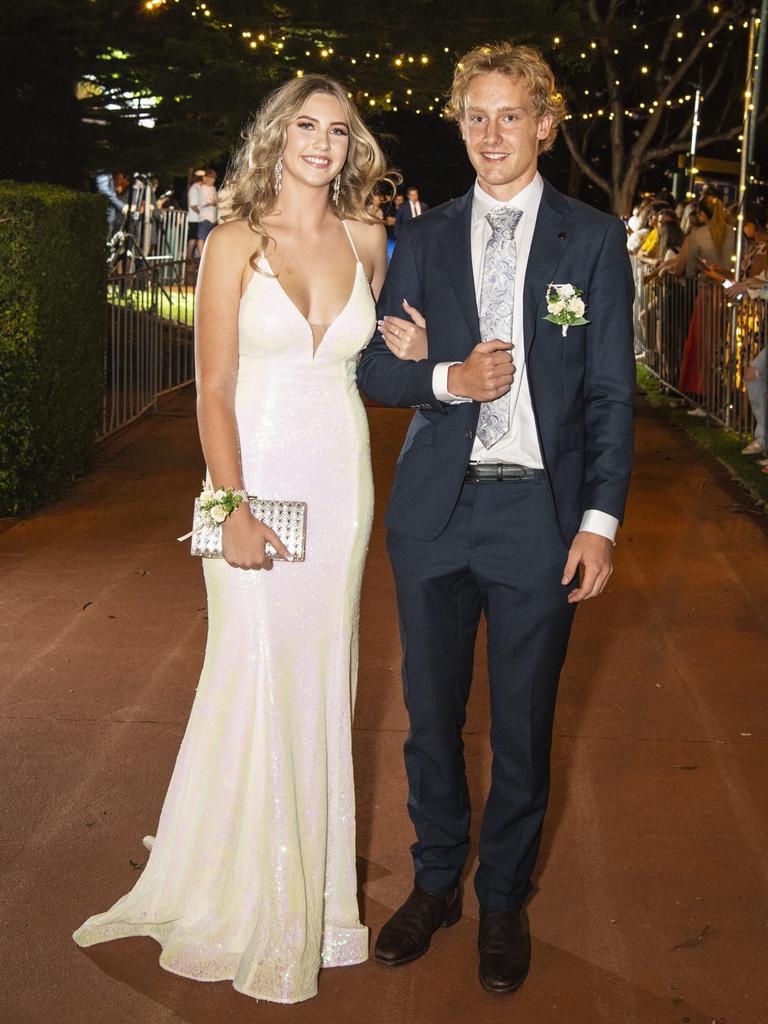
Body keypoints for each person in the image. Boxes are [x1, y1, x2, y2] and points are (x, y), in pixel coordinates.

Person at [73, 74, 395, 1004]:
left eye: (338, 130)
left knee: (320, 671)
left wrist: (416, 357)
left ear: (352, 146)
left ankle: (316, 896)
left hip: (339, 484)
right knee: (250, 665)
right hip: (246, 481)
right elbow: (213, 389)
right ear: (276, 136)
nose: (322, 143)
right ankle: (241, 884)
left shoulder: (370, 242)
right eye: (305, 125)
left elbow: (365, 364)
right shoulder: (231, 243)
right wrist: (234, 505)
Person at [357, 42, 635, 995]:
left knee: (521, 723)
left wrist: (598, 521)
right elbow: (377, 371)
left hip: (539, 519)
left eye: (508, 114)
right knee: (430, 718)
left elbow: (608, 397)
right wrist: (446, 376)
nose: (489, 133)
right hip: (434, 513)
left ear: (545, 124)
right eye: (474, 116)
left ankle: (504, 897)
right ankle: (437, 882)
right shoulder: (425, 238)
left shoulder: (593, 241)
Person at [195, 168, 219, 247]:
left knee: (210, 239)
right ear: (207, 178)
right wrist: (213, 203)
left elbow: (215, 201)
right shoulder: (202, 188)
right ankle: (200, 257)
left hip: (213, 218)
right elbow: (203, 203)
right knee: (202, 238)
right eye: (212, 178)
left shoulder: (213, 188)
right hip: (205, 217)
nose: (213, 180)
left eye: (214, 178)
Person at [185, 169, 204, 260]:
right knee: (192, 238)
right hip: (194, 218)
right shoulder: (194, 188)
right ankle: (188, 257)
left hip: (198, 218)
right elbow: (193, 205)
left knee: (195, 239)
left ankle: (191, 257)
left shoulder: (199, 188)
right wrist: (202, 213)